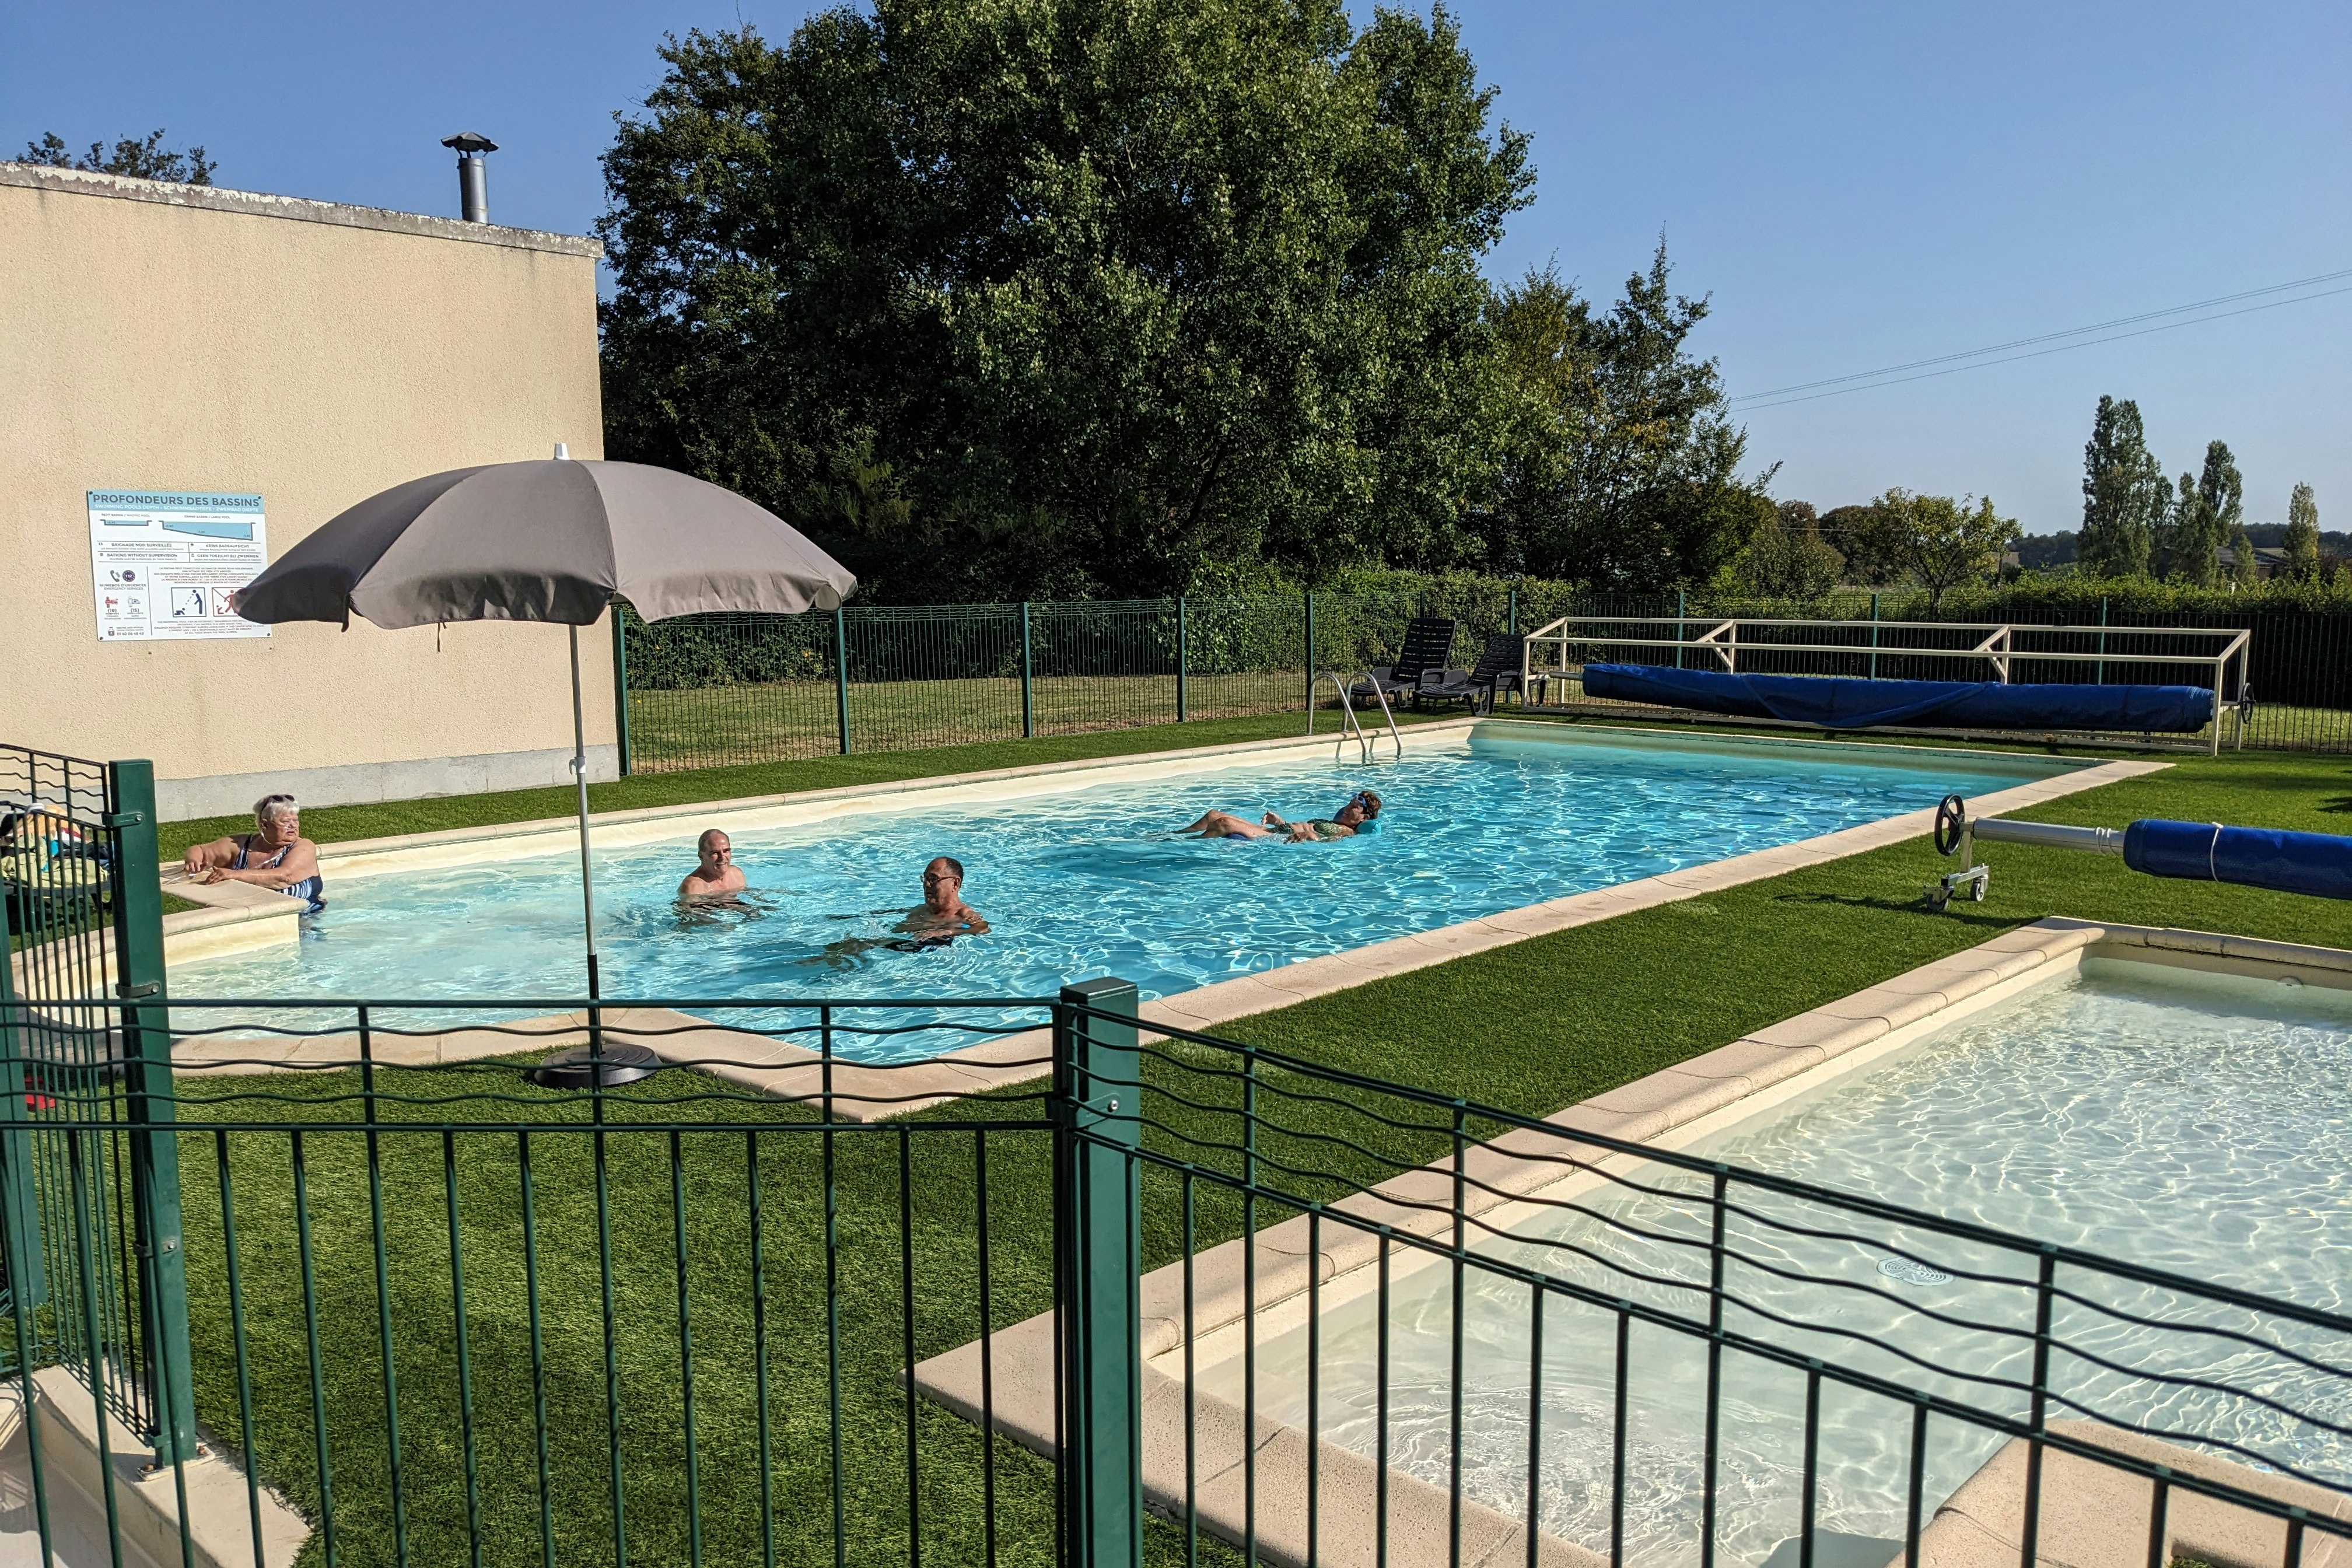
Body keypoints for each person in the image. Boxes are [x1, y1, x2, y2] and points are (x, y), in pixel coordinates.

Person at [180, 793, 325, 911]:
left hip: (306, 922)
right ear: (265, 825)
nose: (293, 825)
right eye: (286, 822)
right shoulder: (241, 845)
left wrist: (232, 874)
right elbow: (198, 850)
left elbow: (284, 877)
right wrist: (194, 862)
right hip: (253, 923)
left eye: (296, 820)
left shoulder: (303, 846)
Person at [1179, 789, 1381, 842]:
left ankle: (1187, 844)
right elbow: (1302, 828)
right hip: (1274, 830)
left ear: (1364, 818)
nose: (1348, 807)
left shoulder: (1346, 832)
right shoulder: (1332, 822)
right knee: (1213, 814)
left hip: (1275, 839)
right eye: (1350, 803)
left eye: (1355, 807)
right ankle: (1174, 835)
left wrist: (1312, 838)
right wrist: (1280, 821)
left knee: (1223, 823)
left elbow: (1325, 840)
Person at [897, 856, 988, 938]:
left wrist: (947, 932)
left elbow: (983, 928)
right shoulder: (922, 910)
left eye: (934, 879)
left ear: (955, 884)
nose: (926, 884)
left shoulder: (963, 914)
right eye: (926, 879)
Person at [678, 828, 747, 899]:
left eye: (726, 851)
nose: (722, 857)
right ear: (701, 856)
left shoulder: (736, 874)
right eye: (715, 853)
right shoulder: (693, 887)